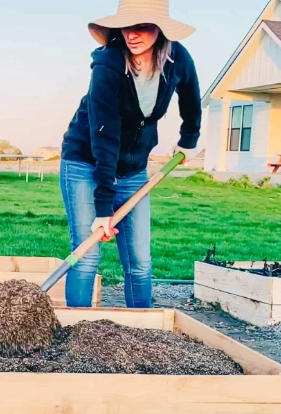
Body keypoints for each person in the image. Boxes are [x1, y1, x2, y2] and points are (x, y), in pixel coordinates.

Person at [59, 0, 201, 308]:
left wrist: (188, 139)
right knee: (86, 254)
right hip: (86, 163)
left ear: (160, 29)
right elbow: (104, 136)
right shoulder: (108, 65)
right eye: (126, 26)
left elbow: (191, 98)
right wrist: (103, 208)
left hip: (134, 171)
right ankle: (75, 329)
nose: (132, 35)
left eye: (142, 27)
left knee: (139, 260)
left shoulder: (177, 58)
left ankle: (143, 328)